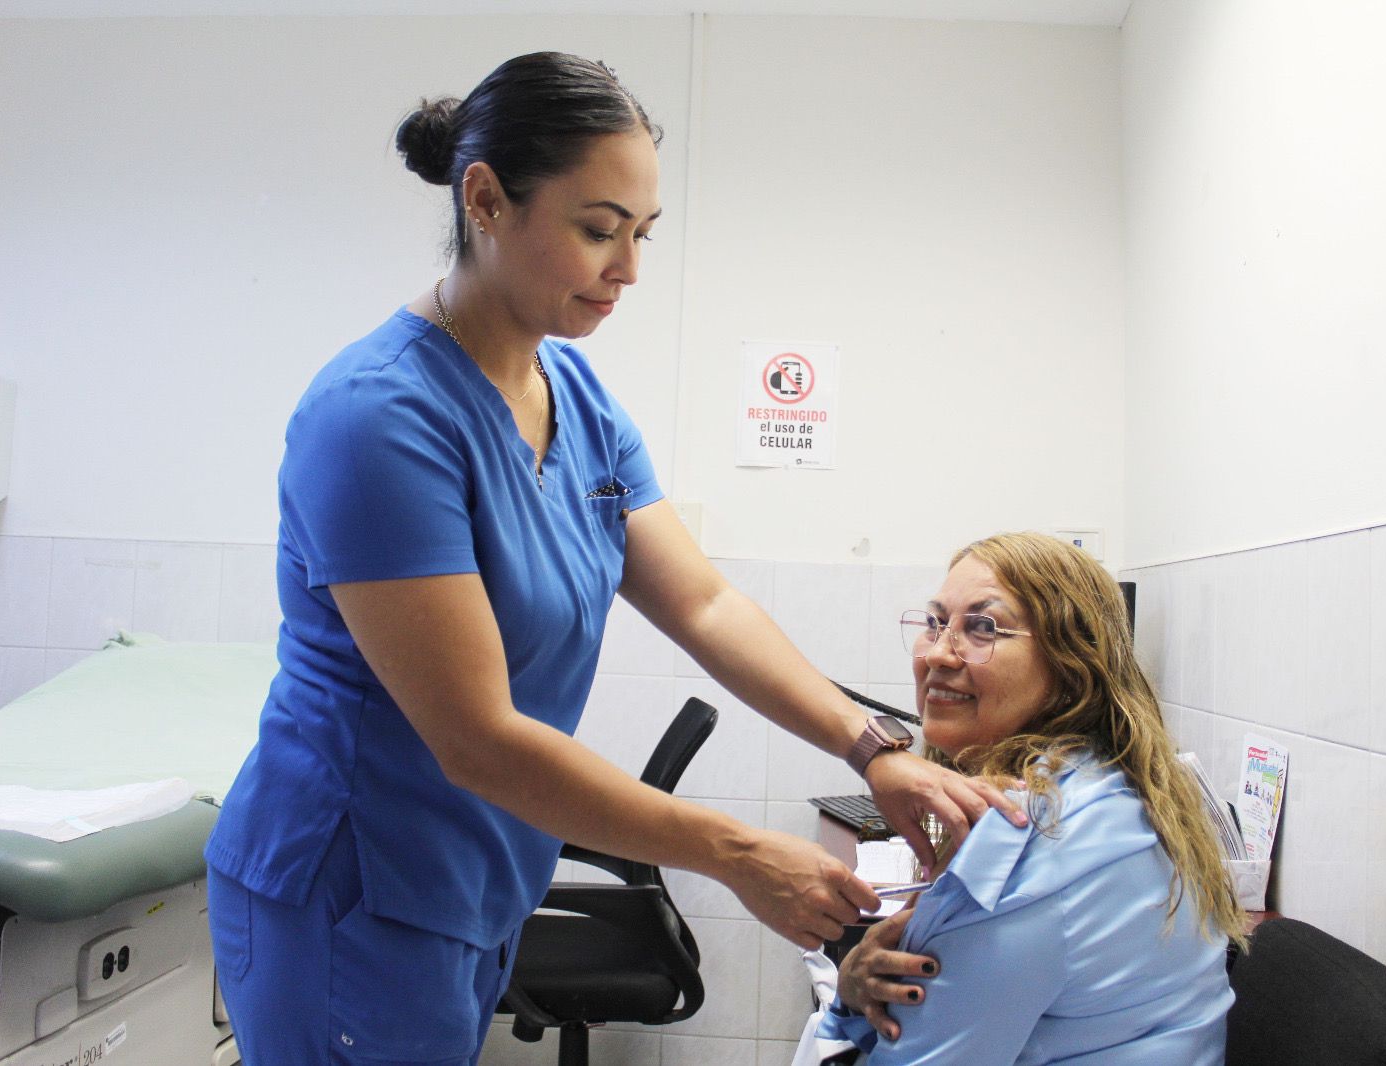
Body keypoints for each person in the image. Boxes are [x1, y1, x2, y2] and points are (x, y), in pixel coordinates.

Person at [203, 52, 1021, 1066]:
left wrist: (874, 748)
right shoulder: (378, 419)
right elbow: (479, 739)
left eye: (642, 233)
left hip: (476, 881)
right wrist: (735, 853)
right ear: (486, 200)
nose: (629, 267)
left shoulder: (576, 398)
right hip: (351, 889)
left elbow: (707, 604)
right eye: (598, 228)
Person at [813, 532, 1247, 1065]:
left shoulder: (1031, 833)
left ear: (1070, 665)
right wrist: (855, 991)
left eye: (983, 627)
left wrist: (846, 1005)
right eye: (935, 623)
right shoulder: (1105, 784)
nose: (939, 653)